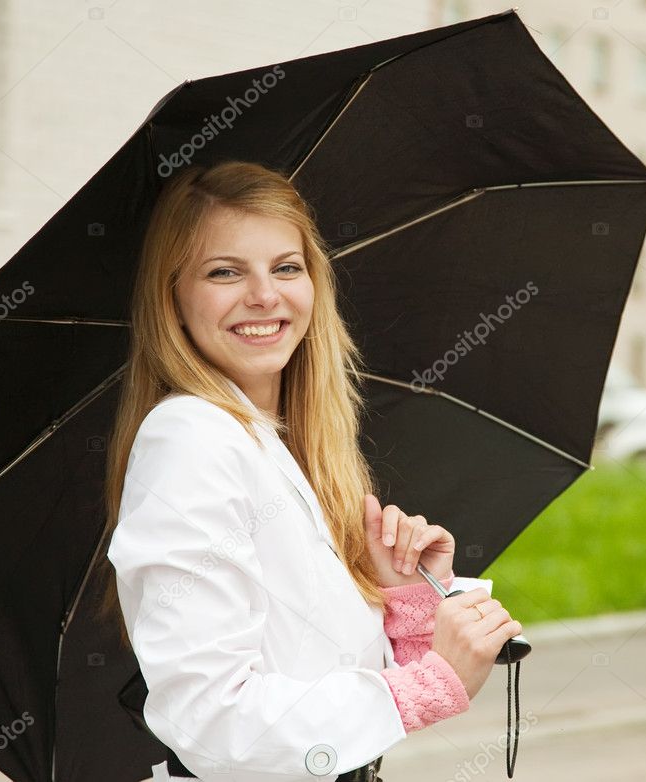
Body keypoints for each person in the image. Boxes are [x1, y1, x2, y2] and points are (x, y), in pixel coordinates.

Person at [100, 160, 522, 782]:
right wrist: (425, 687)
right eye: (224, 272)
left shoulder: (286, 445)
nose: (265, 296)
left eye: (286, 267)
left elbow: (309, 665)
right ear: (173, 299)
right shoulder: (190, 438)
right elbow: (209, 717)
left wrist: (404, 600)